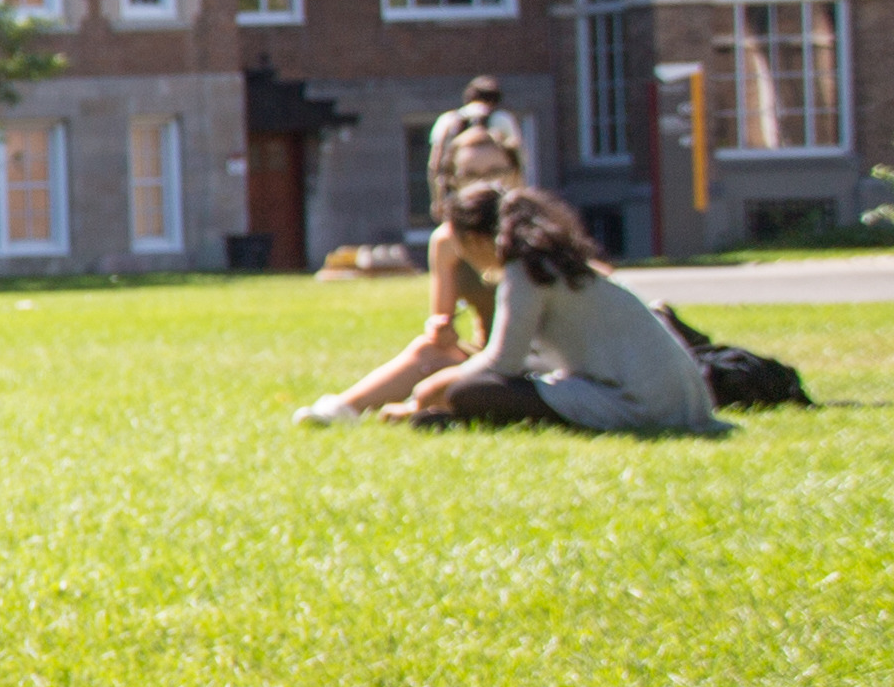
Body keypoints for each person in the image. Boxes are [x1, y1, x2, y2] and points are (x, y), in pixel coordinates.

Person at [400, 186, 720, 436]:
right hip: (681, 402)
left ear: (473, 239)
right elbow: (530, 359)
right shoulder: (548, 260)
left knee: (471, 392)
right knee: (481, 389)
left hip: (642, 405)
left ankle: (452, 416)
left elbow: (503, 363)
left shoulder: (524, 269)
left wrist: (427, 392)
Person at [295, 185, 506, 423]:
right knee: (428, 350)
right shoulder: (448, 239)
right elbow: (441, 317)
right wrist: (440, 327)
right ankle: (344, 408)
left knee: (439, 387)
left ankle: (417, 408)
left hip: (518, 355)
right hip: (484, 351)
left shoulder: (519, 241)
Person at [423, 77, 530, 234]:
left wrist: (437, 201)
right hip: (497, 204)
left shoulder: (447, 121)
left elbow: (434, 166)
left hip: (461, 200)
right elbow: (518, 161)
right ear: (495, 101)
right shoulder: (502, 119)